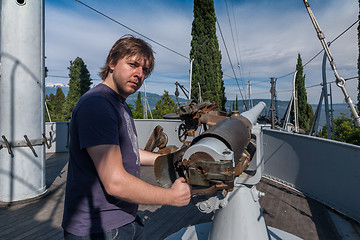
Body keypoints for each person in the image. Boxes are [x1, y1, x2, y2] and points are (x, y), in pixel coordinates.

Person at [62, 36, 191, 239]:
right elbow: (115, 182)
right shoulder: (97, 104)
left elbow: (127, 151)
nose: (139, 74)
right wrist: (171, 197)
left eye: (145, 71)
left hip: (123, 221)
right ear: (112, 63)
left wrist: (167, 159)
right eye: (133, 64)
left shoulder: (118, 104)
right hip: (99, 230)